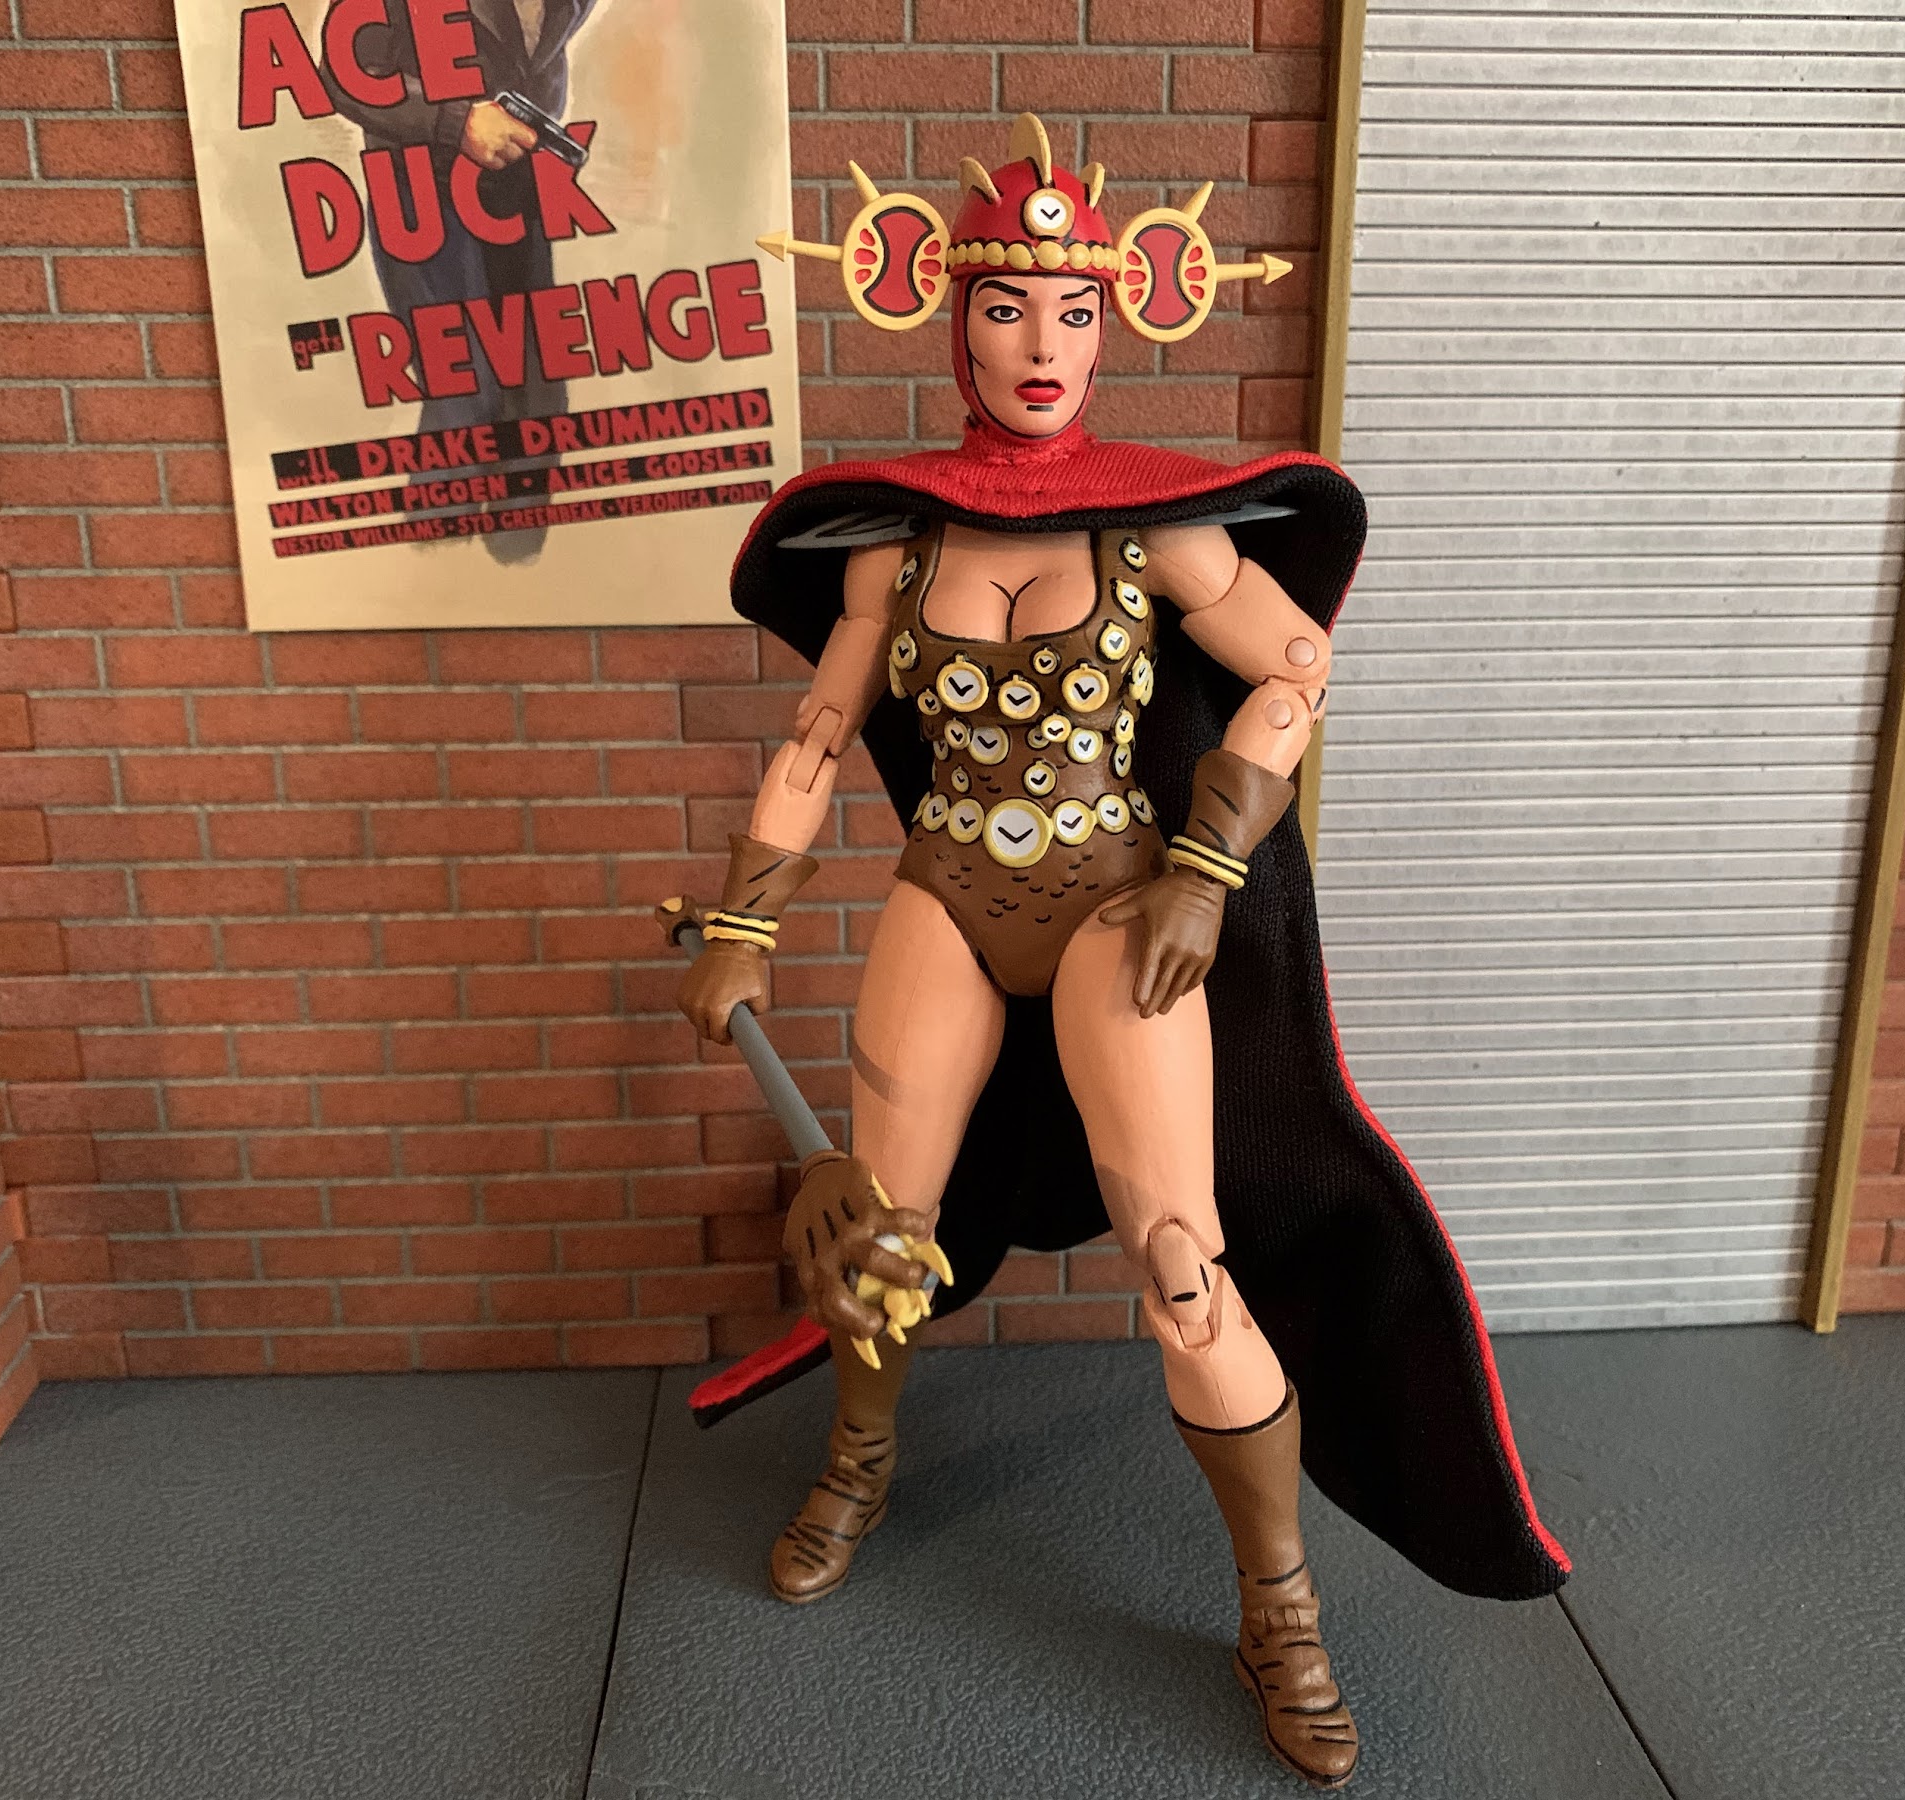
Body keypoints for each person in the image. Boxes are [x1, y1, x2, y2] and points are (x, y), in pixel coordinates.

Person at [676, 116, 1569, 1790]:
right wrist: (746, 917)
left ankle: (1278, 1604)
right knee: (884, 1235)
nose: (1041, 345)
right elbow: (816, 733)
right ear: (949, 318)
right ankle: (859, 1458)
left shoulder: (1152, 527)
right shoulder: (896, 541)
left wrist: (1212, 864)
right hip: (947, 899)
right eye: (1007, 308)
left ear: (1120, 319)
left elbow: (1297, 665)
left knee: (1181, 1257)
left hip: (1112, 904)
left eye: (1074, 312)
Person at [320, 0, 600, 563]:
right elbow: (342, 76)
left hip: (518, 190)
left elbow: (536, 48)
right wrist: (456, 121)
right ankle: (436, 565)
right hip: (421, 194)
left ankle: (518, 569)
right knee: (464, 394)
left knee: (538, 398)